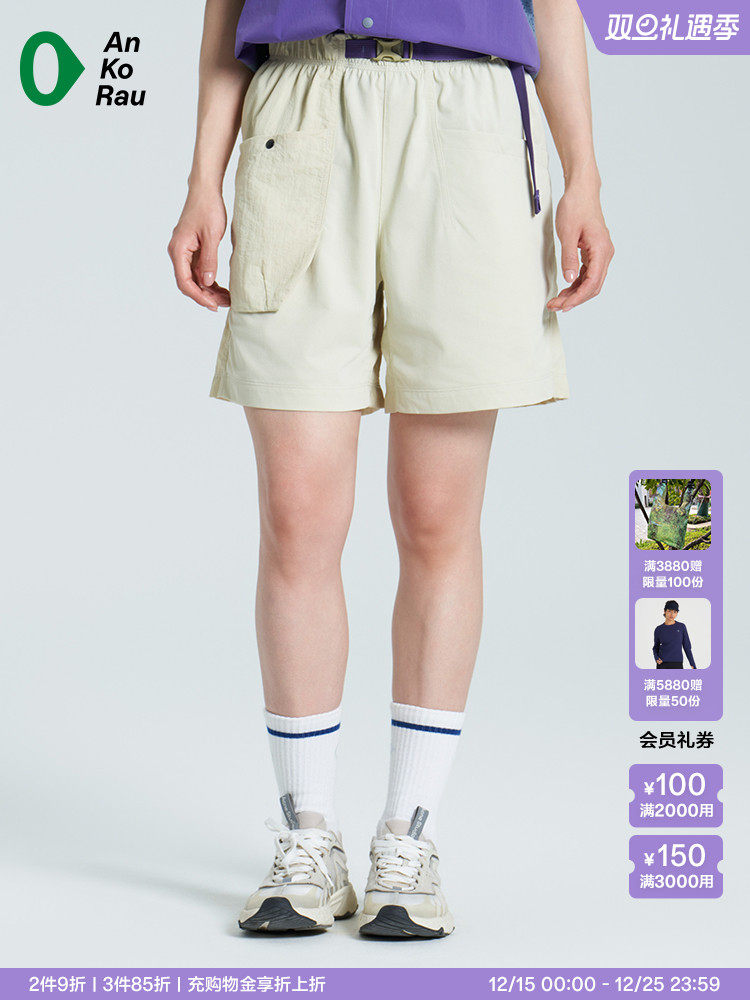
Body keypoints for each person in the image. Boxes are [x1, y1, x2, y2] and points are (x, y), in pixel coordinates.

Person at [168, 0, 613, 939]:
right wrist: (203, 178)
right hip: (300, 104)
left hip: (468, 118)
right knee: (297, 513)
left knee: (437, 515)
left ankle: (408, 840)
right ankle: (306, 840)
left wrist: (585, 175)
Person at [653, 601, 697, 670]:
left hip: (677, 663)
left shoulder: (681, 627)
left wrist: (692, 664)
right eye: (669, 611)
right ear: (664, 611)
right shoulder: (659, 629)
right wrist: (656, 658)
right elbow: (655, 647)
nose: (672, 614)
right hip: (662, 664)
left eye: (674, 612)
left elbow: (687, 647)